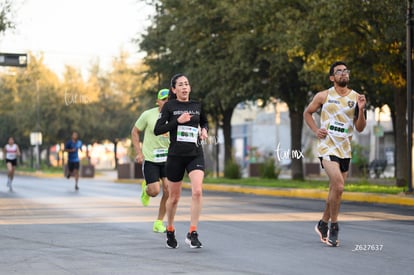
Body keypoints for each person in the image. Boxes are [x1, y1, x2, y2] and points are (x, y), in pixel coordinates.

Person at [303, 61, 367, 247]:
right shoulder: (323, 96)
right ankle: (334, 226)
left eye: (345, 71)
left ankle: (322, 223)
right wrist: (316, 130)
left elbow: (360, 128)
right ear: (332, 77)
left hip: (345, 148)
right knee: (338, 186)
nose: (343, 73)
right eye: (339, 71)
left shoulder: (357, 98)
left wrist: (361, 110)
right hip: (327, 147)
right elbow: (308, 113)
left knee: (334, 190)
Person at [154, 73, 208, 249]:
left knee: (197, 191)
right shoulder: (169, 106)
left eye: (187, 84)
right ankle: (170, 229)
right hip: (176, 156)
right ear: (174, 89)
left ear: (189, 88)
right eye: (181, 85)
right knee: (174, 197)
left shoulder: (197, 105)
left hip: (195, 153)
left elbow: (205, 122)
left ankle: (193, 232)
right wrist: (177, 121)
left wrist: (205, 131)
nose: (185, 87)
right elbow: (158, 129)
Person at [131, 88, 170, 233]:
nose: (166, 102)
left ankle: (158, 223)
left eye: (169, 99)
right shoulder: (148, 115)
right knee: (154, 191)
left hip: (167, 159)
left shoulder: (174, 116)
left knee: (168, 190)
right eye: (163, 99)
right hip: (151, 159)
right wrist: (139, 153)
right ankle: (146, 189)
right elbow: (135, 131)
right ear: (158, 102)